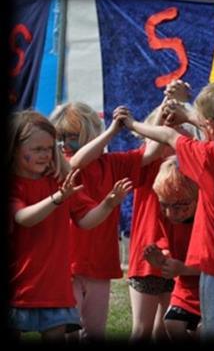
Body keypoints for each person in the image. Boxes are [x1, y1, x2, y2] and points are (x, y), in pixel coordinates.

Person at [114, 81, 214, 339]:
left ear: (210, 126)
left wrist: (132, 125)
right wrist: (189, 115)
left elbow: (169, 136)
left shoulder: (208, 158)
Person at [7, 110, 132, 342]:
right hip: (17, 289)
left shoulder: (58, 182)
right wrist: (57, 199)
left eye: (48, 148)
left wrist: (107, 204)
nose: (45, 155)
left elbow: (85, 221)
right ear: (14, 149)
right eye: (37, 149)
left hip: (55, 291)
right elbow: (24, 217)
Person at [49, 101, 158, 342]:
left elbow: (149, 154)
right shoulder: (63, 163)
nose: (64, 143)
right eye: (61, 136)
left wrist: (165, 112)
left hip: (99, 262)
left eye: (71, 136)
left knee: (95, 332)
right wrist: (112, 131)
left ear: (89, 132)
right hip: (68, 263)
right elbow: (75, 163)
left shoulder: (113, 164)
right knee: (68, 330)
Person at [143, 156, 201, 341]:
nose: (170, 213)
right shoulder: (167, 219)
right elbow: (171, 249)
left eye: (179, 206)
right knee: (172, 324)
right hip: (185, 288)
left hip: (209, 288)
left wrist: (183, 268)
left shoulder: (207, 220)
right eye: (164, 205)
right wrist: (161, 259)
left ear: (196, 197)